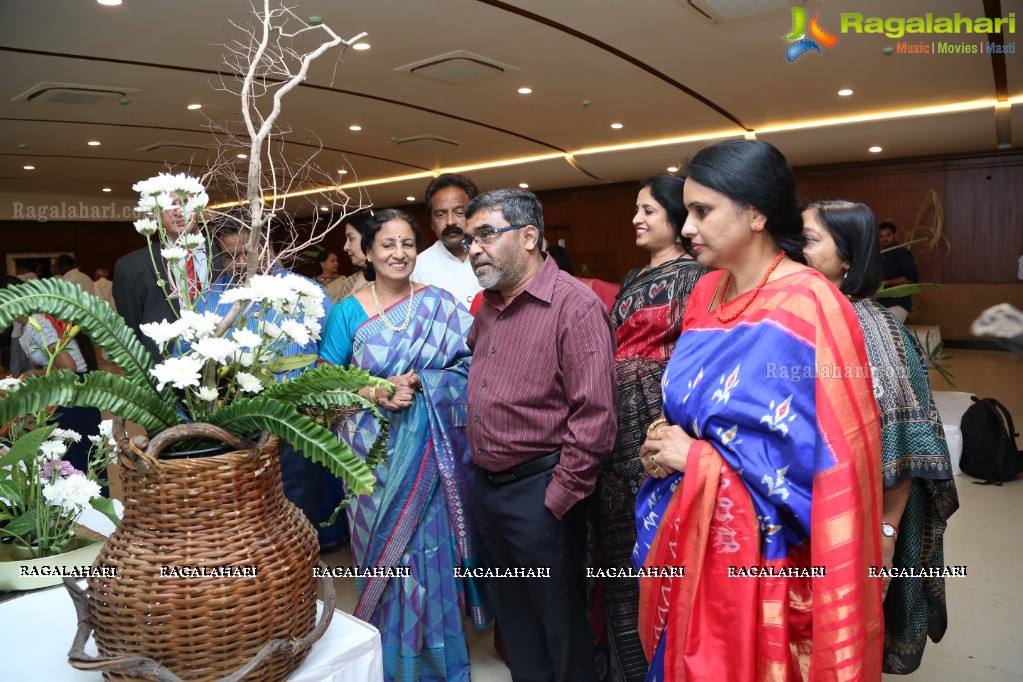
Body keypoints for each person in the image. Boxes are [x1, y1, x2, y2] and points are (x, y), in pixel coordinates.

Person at [633, 140, 884, 681]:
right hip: (683, 533)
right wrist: (665, 436)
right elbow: (697, 404)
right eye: (687, 212)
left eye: (703, 212)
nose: (686, 228)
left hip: (764, 560)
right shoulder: (704, 294)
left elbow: (832, 464)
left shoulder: (812, 306)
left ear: (757, 212)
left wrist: (701, 463)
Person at [319, 208, 490, 680]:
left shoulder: (439, 302)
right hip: (367, 463)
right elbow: (322, 383)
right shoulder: (348, 311)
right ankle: (390, 663)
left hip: (432, 455)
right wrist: (373, 391)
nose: (399, 253)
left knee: (432, 555)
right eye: (388, 244)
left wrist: (426, 382)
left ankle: (436, 662)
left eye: (408, 244)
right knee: (386, 557)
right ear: (368, 252)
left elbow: (473, 365)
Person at [465, 188, 617, 682]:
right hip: (489, 491)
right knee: (517, 623)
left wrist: (557, 498)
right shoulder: (488, 307)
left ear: (529, 236)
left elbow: (595, 416)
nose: (473, 248)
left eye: (486, 234)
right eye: (470, 239)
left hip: (541, 495)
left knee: (561, 628)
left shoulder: (574, 306)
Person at [803, 199, 959, 674]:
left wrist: (887, 531)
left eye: (808, 240)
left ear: (848, 257)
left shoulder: (874, 332)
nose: (794, 250)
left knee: (837, 640)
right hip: (799, 513)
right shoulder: (801, 315)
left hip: (853, 521)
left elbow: (907, 445)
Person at [597, 174, 710, 682]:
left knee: (655, 553)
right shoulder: (632, 277)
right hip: (614, 428)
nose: (637, 219)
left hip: (655, 434)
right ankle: (623, 665)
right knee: (616, 552)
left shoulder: (695, 277)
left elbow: (694, 359)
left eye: (648, 210)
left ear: (674, 217)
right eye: (635, 209)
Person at [198, 217, 346, 552]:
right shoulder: (213, 297)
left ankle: (301, 565)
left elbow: (333, 354)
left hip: (297, 421)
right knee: (247, 511)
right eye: (231, 256)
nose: (241, 263)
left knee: (300, 503)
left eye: (247, 253)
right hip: (236, 427)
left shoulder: (306, 292)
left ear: (268, 246)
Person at [114, 202, 208, 362]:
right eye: (170, 204)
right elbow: (130, 334)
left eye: (185, 203)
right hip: (166, 371)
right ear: (156, 213)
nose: (179, 212)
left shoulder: (228, 255)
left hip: (227, 370)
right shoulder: (132, 267)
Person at [411, 173, 483, 310]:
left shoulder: (494, 255)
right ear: (431, 222)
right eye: (441, 214)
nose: (450, 222)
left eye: (460, 212)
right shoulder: (417, 268)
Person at [877, 221, 919, 322]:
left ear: (895, 235)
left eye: (888, 235)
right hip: (881, 303)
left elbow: (911, 278)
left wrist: (885, 283)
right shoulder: (880, 256)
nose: (884, 239)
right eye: (881, 236)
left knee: (889, 332)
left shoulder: (902, 253)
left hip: (898, 303)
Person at [324, 213, 371, 303]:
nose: (345, 247)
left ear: (368, 238)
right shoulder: (350, 280)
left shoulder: (389, 281)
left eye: (351, 238)